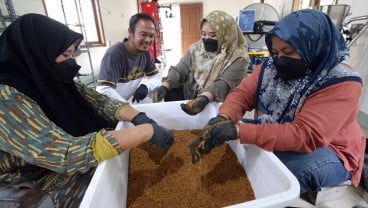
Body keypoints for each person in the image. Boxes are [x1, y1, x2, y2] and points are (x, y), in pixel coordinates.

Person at [0, 13, 173, 207]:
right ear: (37, 53)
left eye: (73, 54)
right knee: (96, 181)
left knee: (108, 162)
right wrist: (144, 132)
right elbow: (64, 153)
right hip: (25, 181)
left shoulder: (51, 79)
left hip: (52, 162)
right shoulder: (6, 100)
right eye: (65, 55)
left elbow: (100, 102)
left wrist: (139, 117)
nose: (72, 62)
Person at [189, 9, 365, 198]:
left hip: (333, 148)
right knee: (246, 149)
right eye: (275, 52)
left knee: (282, 171)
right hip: (283, 127)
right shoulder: (270, 67)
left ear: (313, 46)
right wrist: (225, 116)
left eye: (288, 52)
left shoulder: (341, 82)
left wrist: (239, 131)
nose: (279, 58)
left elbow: (307, 135)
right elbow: (242, 94)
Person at [153, 10, 249, 115]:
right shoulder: (196, 49)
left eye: (212, 35)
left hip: (219, 101)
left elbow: (223, 84)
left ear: (225, 35)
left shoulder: (238, 58)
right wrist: (165, 86)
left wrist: (203, 98)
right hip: (192, 93)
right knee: (171, 94)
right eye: (203, 34)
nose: (206, 39)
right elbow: (181, 69)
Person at [96, 13, 161, 104]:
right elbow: (103, 89)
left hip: (127, 101)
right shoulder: (115, 54)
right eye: (143, 34)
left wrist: (146, 86)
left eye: (151, 36)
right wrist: (126, 108)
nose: (148, 40)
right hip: (110, 107)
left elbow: (156, 76)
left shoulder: (145, 54)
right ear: (130, 32)